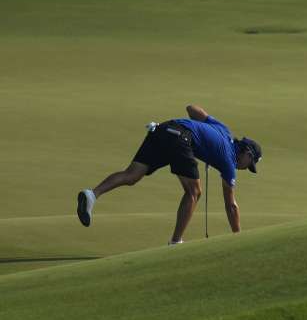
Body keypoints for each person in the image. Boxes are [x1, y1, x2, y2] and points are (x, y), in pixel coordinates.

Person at [77, 104, 262, 244]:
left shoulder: (223, 129)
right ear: (246, 153)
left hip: (163, 129)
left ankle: (92, 194)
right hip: (181, 138)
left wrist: (206, 140)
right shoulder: (229, 161)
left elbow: (191, 108)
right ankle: (175, 243)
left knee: (132, 175)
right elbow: (231, 206)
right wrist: (239, 239)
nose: (246, 168)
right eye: (249, 164)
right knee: (194, 193)